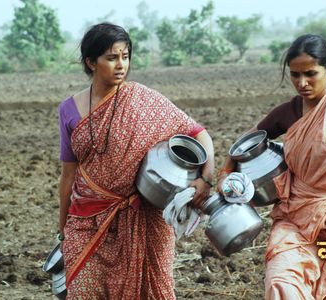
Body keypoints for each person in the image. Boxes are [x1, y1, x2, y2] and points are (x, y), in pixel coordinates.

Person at [217, 34, 326, 299]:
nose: (302, 83)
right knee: (282, 281)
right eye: (295, 75)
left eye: (310, 74)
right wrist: (225, 174)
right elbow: (242, 145)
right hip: (296, 214)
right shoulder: (288, 112)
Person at [57, 23, 214, 299]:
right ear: (91, 62)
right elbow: (68, 175)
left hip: (145, 219)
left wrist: (205, 178)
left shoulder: (144, 100)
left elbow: (199, 134)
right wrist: (63, 230)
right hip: (87, 221)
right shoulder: (69, 111)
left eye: (125, 56)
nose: (121, 65)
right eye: (111, 57)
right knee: (82, 291)